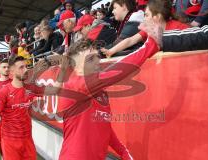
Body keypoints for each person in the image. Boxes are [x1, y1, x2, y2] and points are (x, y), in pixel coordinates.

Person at [41, 29, 161, 159]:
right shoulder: (74, 86)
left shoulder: (99, 91)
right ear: (76, 67)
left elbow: (104, 127)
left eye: (97, 56)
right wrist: (150, 44)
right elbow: (120, 70)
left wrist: (123, 152)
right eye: (90, 59)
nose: (97, 60)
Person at [102, 0, 190, 57]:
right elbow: (131, 40)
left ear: (157, 17)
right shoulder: (150, 28)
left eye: (146, 15)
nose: (144, 19)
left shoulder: (180, 27)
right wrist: (111, 51)